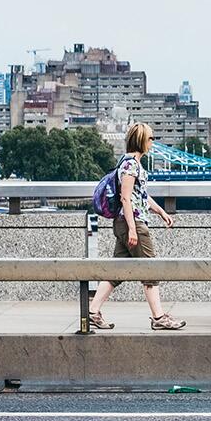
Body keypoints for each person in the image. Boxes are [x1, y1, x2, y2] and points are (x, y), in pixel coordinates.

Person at [88, 123, 186, 332]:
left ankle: (93, 312)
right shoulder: (131, 165)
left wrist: (161, 212)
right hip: (132, 224)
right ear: (141, 141)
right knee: (151, 270)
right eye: (150, 138)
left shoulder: (128, 163)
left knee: (117, 271)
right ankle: (159, 317)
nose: (153, 142)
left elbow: (140, 196)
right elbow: (125, 198)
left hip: (126, 223)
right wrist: (133, 229)